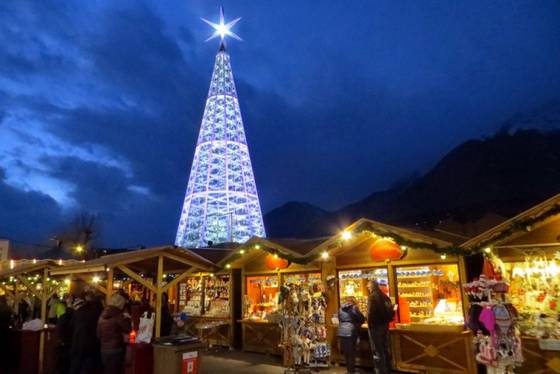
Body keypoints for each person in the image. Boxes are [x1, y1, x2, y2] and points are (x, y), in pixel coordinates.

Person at [97, 293, 132, 374]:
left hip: (104, 350)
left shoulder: (102, 314)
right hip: (116, 349)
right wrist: (127, 318)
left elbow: (98, 334)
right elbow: (128, 329)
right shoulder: (119, 315)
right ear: (120, 303)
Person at [69, 294, 102, 374]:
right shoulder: (97, 313)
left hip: (78, 342)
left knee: (76, 365)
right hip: (91, 344)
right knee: (88, 366)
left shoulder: (78, 312)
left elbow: (71, 326)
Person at [367, 280, 393, 374]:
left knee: (377, 350)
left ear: (372, 287)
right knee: (385, 348)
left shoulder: (372, 297)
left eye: (369, 287)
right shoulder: (386, 297)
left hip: (376, 327)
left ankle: (380, 371)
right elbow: (391, 310)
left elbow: (370, 313)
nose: (368, 289)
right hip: (385, 326)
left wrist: (369, 325)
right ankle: (388, 369)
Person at [338, 296, 366, 374]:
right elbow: (361, 319)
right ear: (353, 301)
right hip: (351, 332)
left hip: (342, 331)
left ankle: (349, 369)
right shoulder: (354, 308)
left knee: (346, 352)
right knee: (351, 352)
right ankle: (351, 370)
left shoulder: (340, 309)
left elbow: (339, 318)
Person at [0, 296, 13, 369]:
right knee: (6, 346)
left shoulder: (2, 308)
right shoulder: (8, 308)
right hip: (6, 328)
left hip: (2, 328)